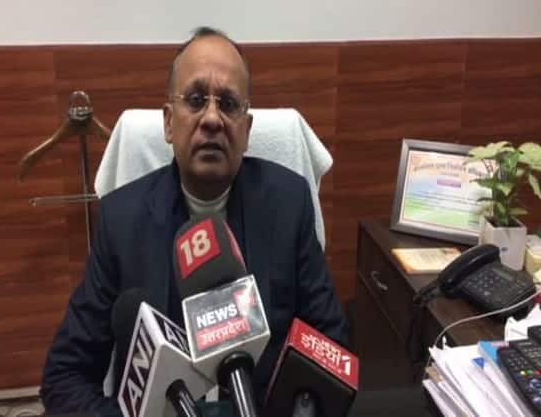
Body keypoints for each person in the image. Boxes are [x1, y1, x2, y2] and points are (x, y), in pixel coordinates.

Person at [40, 27, 349, 414]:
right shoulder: (121, 220)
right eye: (197, 100)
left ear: (246, 131)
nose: (212, 119)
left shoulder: (289, 203)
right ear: (169, 123)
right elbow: (64, 377)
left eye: (229, 104)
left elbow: (330, 349)